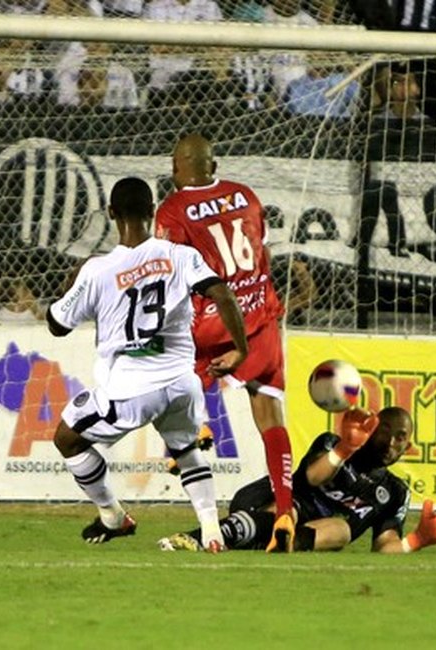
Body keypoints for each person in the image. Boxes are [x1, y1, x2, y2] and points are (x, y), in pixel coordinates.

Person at [47, 177, 249, 553]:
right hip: (181, 384)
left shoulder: (97, 270)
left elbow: (57, 325)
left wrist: (72, 282)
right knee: (187, 448)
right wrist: (241, 350)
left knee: (67, 438)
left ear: (111, 214)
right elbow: (221, 293)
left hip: (129, 392)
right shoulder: (181, 255)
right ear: (153, 212)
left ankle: (112, 515)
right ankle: (211, 532)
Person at [154, 133, 297, 552]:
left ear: (175, 168)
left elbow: (170, 278)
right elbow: (260, 253)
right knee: (270, 415)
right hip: (259, 318)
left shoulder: (174, 210)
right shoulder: (246, 196)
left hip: (211, 323)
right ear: (212, 167)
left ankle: (188, 429)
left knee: (161, 366)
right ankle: (285, 509)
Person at [159, 405, 436, 553]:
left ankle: (274, 545)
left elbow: (384, 545)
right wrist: (345, 448)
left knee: (342, 530)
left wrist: (418, 540)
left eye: (402, 439)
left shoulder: (395, 492)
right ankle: (194, 537)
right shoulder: (333, 443)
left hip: (312, 534)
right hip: (270, 501)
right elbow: (314, 478)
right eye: (390, 433)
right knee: (289, 513)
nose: (395, 443)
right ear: (374, 428)